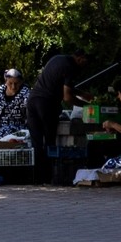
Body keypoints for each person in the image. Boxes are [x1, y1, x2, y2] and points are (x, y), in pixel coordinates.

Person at [27, 49, 90, 181]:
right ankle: (49, 177)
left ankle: (37, 178)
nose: (86, 65)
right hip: (46, 103)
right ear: (80, 58)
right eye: (86, 61)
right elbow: (67, 97)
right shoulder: (71, 67)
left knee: (36, 142)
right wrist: (87, 106)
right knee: (49, 141)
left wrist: (82, 94)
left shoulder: (58, 59)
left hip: (32, 100)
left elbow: (61, 85)